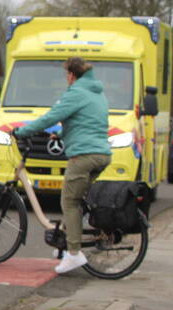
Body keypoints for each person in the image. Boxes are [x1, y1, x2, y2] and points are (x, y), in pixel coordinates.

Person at [14, 57, 111, 273]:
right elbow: (86, 122)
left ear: (71, 75)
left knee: (69, 201)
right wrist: (59, 134)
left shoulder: (76, 92)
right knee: (76, 199)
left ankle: (74, 253)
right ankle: (65, 244)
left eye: (66, 74)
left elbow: (51, 116)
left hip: (84, 155)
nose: (66, 78)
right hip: (101, 154)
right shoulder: (96, 92)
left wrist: (22, 131)